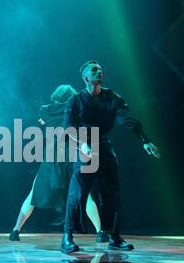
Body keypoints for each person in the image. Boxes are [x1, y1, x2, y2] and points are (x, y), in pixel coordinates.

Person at [61, 61, 160, 254]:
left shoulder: (112, 97)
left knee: (112, 193)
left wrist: (144, 140)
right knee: (78, 194)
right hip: (84, 147)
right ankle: (67, 237)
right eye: (94, 70)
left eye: (100, 69)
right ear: (85, 78)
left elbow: (126, 119)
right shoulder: (75, 100)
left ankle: (114, 237)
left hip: (103, 146)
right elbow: (68, 128)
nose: (99, 71)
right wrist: (82, 144)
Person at [9, 85, 109, 243]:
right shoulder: (77, 109)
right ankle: (100, 232)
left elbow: (41, 122)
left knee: (33, 193)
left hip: (52, 157)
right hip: (73, 155)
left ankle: (15, 230)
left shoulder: (45, 110)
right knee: (86, 194)